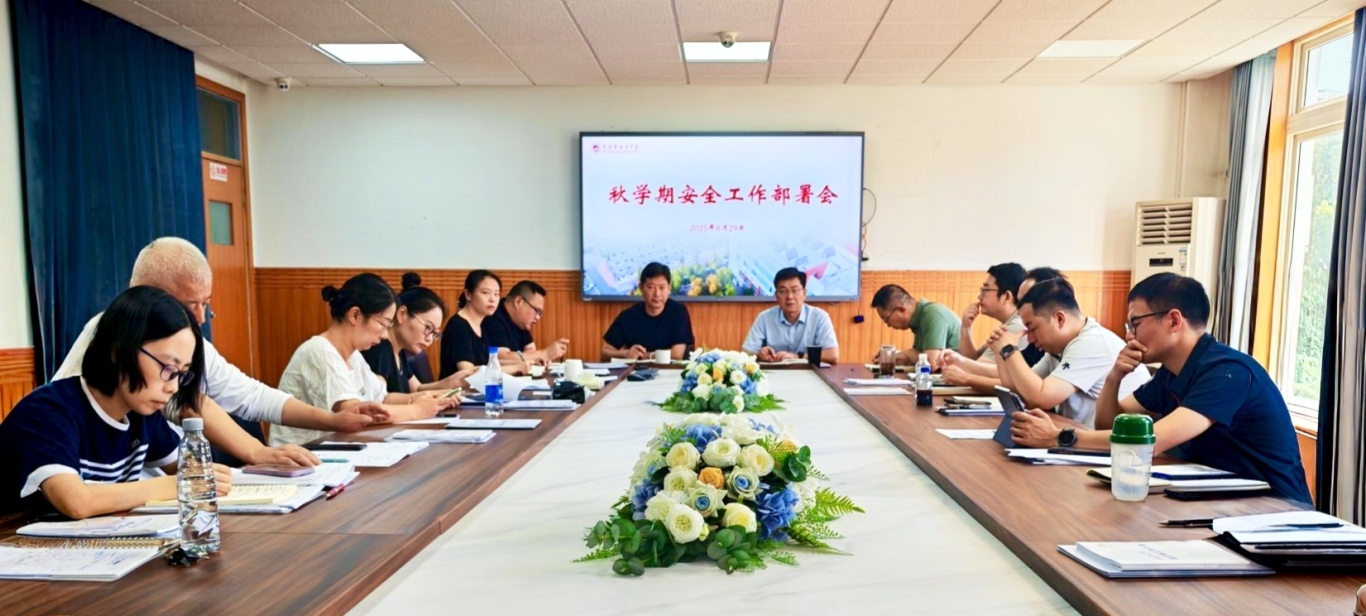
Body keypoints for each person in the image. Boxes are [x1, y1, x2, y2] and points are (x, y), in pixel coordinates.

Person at [54, 238, 377, 467]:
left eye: (205, 304)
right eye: (190, 305)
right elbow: (190, 404)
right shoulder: (115, 337)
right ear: (148, 298)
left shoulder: (183, 341)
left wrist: (332, 420)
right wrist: (255, 452)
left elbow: (249, 395)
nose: (199, 318)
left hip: (159, 477)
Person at [1009, 274, 1311, 504]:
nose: (1130, 335)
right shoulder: (1171, 373)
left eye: (1135, 323)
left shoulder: (1228, 372)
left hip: (1274, 509)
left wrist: (1058, 437)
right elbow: (1111, 425)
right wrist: (1114, 377)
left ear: (1174, 320)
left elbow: (1150, 443)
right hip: (1218, 500)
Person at [0, 286, 233, 518]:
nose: (173, 387)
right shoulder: (47, 411)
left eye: (181, 374)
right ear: (119, 351)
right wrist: (178, 483)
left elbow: (189, 470)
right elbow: (77, 502)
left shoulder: (141, 414)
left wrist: (210, 476)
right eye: (168, 368)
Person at [272, 274, 459, 446]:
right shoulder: (319, 351)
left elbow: (382, 397)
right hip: (301, 457)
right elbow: (356, 414)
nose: (385, 335)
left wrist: (422, 398)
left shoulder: (353, 355)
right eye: (383, 324)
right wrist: (418, 410)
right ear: (355, 315)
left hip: (335, 449)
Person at [989, 278, 1150, 428]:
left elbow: (1041, 398)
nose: (1030, 338)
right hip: (1079, 437)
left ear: (1059, 319)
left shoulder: (1091, 342)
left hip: (1109, 443)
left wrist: (1010, 350)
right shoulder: (1060, 348)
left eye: (1032, 328)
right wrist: (1000, 352)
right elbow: (1019, 390)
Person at [361, 273, 473, 394]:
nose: (430, 339)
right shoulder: (381, 349)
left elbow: (417, 388)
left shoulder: (398, 350)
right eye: (428, 328)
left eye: (434, 333)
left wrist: (453, 382)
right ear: (402, 314)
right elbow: (379, 399)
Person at [941, 263, 1026, 392]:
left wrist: (959, 361)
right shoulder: (1008, 324)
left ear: (1007, 296)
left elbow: (974, 369)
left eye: (985, 290)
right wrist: (965, 329)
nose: (979, 297)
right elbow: (974, 362)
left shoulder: (1016, 327)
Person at [741, 267, 839, 364]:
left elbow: (833, 355)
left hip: (808, 372)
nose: (789, 297)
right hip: (774, 372)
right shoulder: (764, 318)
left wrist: (798, 356)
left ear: (804, 293)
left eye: (795, 290)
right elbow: (745, 353)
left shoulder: (819, 317)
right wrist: (759, 354)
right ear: (776, 296)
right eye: (783, 291)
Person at [602, 262, 695, 361]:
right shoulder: (628, 316)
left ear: (669, 288)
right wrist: (626, 354)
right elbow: (605, 352)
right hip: (636, 370)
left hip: (670, 369)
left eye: (662, 288)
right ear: (641, 288)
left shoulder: (678, 312)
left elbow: (676, 355)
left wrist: (643, 356)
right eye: (651, 287)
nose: (657, 294)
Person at [483, 280, 569, 371]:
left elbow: (530, 350)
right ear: (518, 302)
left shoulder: (520, 321)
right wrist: (545, 353)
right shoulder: (493, 316)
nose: (537, 317)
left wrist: (539, 359)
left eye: (540, 313)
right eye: (537, 311)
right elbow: (501, 357)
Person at [869, 284, 960, 370]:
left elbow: (933, 364)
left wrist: (907, 353)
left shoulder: (933, 315)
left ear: (901, 310)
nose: (888, 325)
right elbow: (921, 358)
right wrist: (897, 356)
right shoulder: (920, 318)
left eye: (886, 319)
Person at [439, 270, 509, 378]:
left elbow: (486, 363)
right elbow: (470, 374)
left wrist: (520, 364)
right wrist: (516, 368)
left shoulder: (481, 324)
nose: (492, 299)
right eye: (485, 293)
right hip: (459, 388)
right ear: (468, 295)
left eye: (496, 294)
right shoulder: (459, 327)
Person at [1016, 267, 1063, 367]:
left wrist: (1009, 350)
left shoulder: (1083, 344)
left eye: (1025, 301)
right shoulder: (1041, 339)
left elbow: (1020, 373)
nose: (1018, 310)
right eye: (1019, 303)